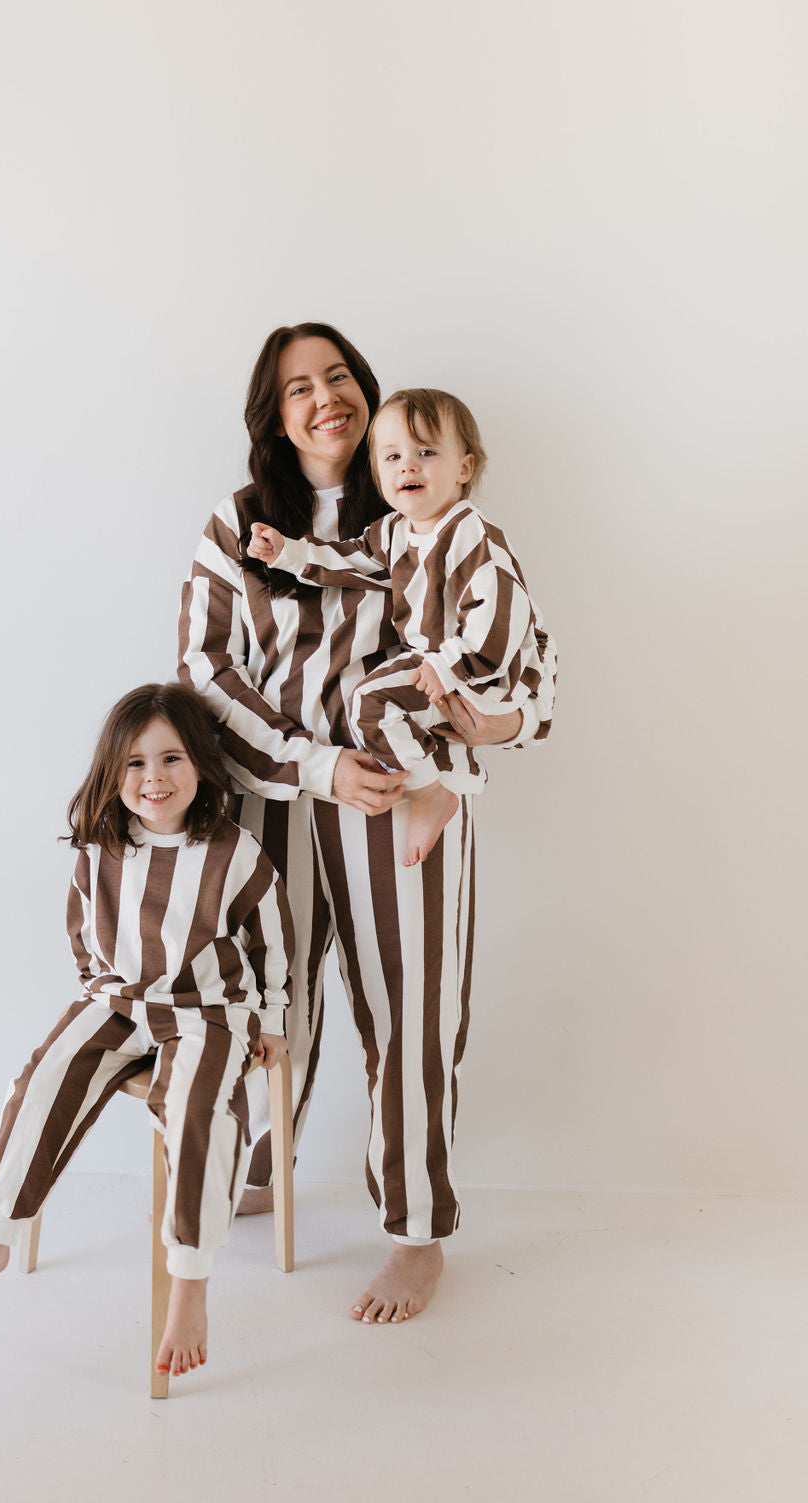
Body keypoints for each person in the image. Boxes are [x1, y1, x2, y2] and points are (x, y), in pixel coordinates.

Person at [179, 324, 556, 1326]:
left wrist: (494, 723)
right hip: (273, 794)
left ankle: (414, 1231)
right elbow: (204, 671)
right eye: (297, 386)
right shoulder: (237, 522)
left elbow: (524, 663)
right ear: (272, 412)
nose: (323, 397)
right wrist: (312, 763)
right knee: (268, 1001)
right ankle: (260, 1165)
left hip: (403, 794)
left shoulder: (429, 512)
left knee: (410, 1012)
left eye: (336, 375)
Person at [0, 683, 293, 1379]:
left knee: (197, 1111)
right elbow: (81, 932)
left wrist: (270, 1018)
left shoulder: (234, 851)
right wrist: (101, 992)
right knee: (42, 1076)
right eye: (134, 763)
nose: (153, 777)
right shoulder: (101, 848)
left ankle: (190, 1278)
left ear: (201, 767)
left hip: (207, 1006)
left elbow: (274, 941)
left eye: (171, 758)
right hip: (119, 1000)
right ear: (111, 772)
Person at [247, 387, 555, 867]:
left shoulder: (472, 532)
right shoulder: (395, 531)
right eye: (392, 457)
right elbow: (344, 561)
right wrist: (287, 552)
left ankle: (431, 793)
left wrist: (452, 666)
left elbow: (503, 613)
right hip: (438, 664)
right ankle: (428, 782)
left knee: (370, 699)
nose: (407, 466)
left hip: (482, 670)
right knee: (370, 704)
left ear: (464, 469)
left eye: (426, 453)